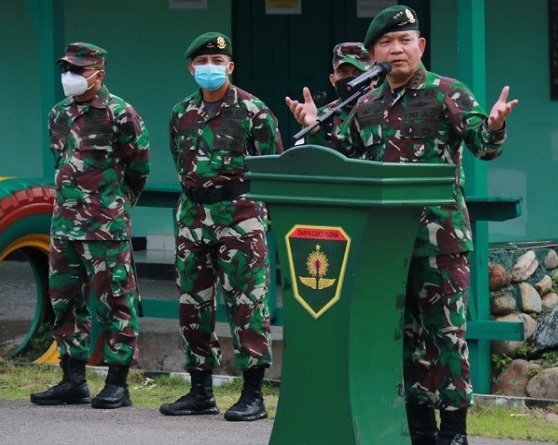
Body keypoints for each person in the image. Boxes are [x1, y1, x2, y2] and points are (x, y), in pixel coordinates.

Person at [287, 6, 517, 445]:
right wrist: (315, 127)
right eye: (386, 44)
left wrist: (495, 126)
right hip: (385, 244)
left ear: (421, 46)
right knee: (403, 336)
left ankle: (454, 428)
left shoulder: (448, 92)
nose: (397, 50)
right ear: (374, 52)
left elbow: (484, 147)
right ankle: (417, 425)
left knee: (446, 334)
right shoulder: (367, 103)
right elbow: (343, 157)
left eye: (405, 41)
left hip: (440, 239)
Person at [158, 32, 283, 422]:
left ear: (230, 67)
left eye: (217, 61)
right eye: (202, 62)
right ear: (190, 68)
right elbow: (180, 161)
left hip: (240, 217)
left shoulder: (253, 110)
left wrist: (262, 218)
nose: (209, 68)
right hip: (194, 217)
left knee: (248, 304)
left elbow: (272, 165)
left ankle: (252, 394)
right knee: (192, 304)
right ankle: (200, 391)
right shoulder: (181, 113)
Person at [30, 42, 151, 409]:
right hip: (64, 225)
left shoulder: (121, 114)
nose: (71, 77)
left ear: (100, 73)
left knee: (114, 301)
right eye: (67, 69)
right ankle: (73, 379)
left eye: (79, 70)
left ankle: (117, 383)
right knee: (64, 301)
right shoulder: (58, 114)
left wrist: (112, 204)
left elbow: (139, 168)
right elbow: (62, 160)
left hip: (104, 227)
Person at [285, 41, 373, 152]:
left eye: (357, 73)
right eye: (343, 72)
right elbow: (306, 160)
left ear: (373, 77)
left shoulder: (384, 109)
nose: (351, 80)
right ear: (332, 79)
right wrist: (314, 130)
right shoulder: (322, 117)